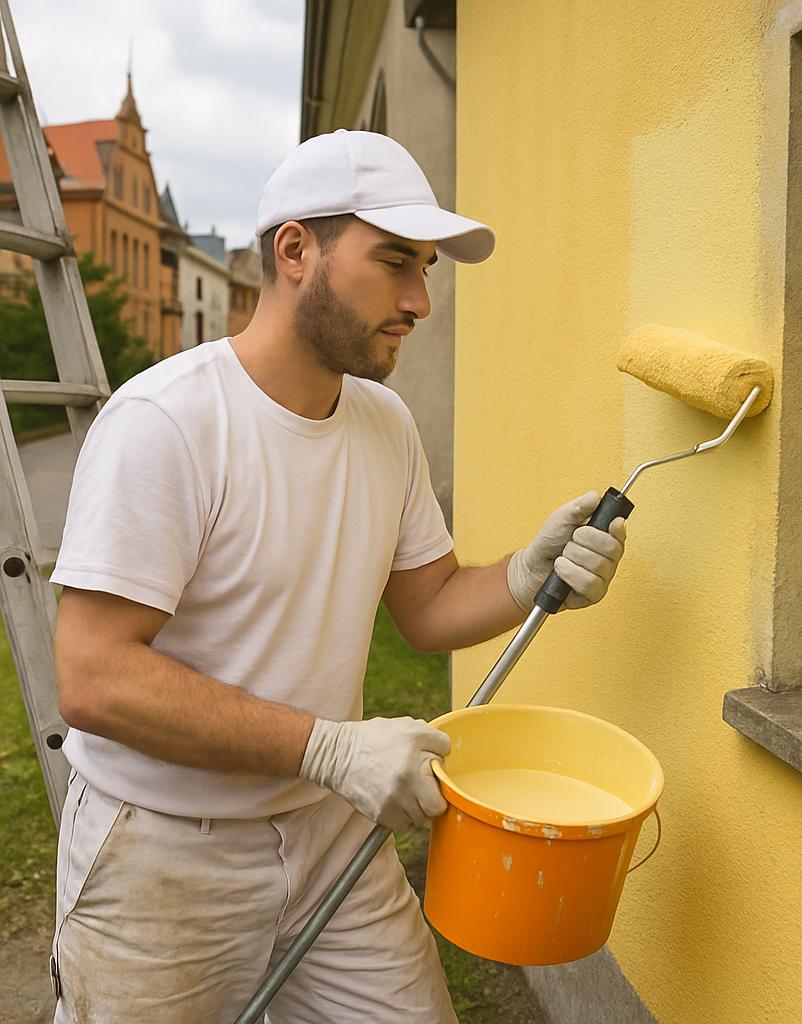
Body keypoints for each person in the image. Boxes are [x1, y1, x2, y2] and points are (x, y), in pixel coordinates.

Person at [47, 130, 627, 1023]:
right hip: (163, 856)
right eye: (396, 262)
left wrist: (526, 574)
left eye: (426, 269)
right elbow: (93, 676)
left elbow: (428, 607)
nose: (421, 301)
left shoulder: (384, 424)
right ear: (295, 251)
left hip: (328, 835)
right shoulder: (167, 423)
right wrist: (328, 745)